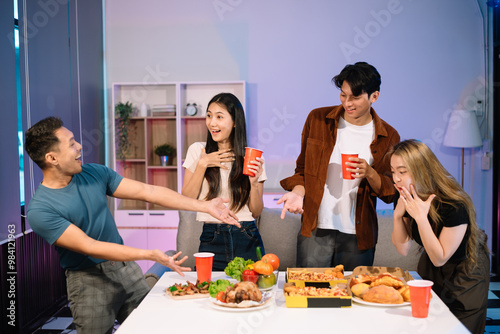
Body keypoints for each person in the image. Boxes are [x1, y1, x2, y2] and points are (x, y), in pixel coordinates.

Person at [25, 116, 239, 334]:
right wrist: (150, 254)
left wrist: (205, 206)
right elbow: (90, 246)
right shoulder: (40, 210)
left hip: (126, 271)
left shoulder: (94, 173)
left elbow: (149, 192)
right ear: (52, 158)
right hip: (88, 281)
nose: (79, 146)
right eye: (71, 143)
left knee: (148, 329)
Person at [278, 62, 400, 270]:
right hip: (316, 228)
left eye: (355, 97)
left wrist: (370, 173)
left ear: (374, 97)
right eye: (343, 95)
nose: (347, 103)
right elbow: (302, 170)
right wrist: (298, 192)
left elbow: (390, 193)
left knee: (353, 297)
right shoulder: (318, 120)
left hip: (358, 235)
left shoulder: (388, 136)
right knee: (309, 294)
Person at [390, 139, 490, 334]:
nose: (396, 179)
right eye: (393, 172)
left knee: (459, 328)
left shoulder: (453, 204)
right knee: (430, 325)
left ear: (422, 169)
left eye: (402, 172)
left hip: (466, 270)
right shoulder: (405, 195)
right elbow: (402, 249)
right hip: (433, 267)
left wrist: (420, 217)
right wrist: (397, 215)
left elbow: (440, 257)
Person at [182, 92, 266, 271]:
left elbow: (256, 211)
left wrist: (252, 183)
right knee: (206, 293)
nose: (212, 123)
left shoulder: (251, 158)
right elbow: (187, 199)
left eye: (219, 117)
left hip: (247, 235)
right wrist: (203, 164)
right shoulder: (198, 151)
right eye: (209, 115)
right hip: (211, 236)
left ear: (235, 122)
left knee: (251, 294)